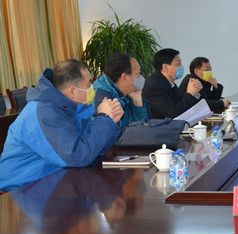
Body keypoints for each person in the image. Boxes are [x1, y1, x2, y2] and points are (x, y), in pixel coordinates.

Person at [0, 59, 123, 192]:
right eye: (89, 83)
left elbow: (94, 149)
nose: (92, 87)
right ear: (72, 91)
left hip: (54, 182)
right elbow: (77, 157)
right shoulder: (45, 113)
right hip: (22, 191)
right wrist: (104, 118)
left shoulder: (70, 107)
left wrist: (111, 121)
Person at [142, 48, 203, 119]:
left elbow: (180, 104)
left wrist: (194, 93)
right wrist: (190, 93)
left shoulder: (168, 83)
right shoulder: (153, 86)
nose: (181, 66)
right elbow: (174, 113)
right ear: (165, 67)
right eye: (178, 64)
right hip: (160, 125)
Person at [93, 53, 150, 127]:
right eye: (138, 73)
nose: (141, 77)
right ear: (125, 77)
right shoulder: (102, 98)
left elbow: (143, 127)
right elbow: (116, 132)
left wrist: (137, 101)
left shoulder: (128, 93)